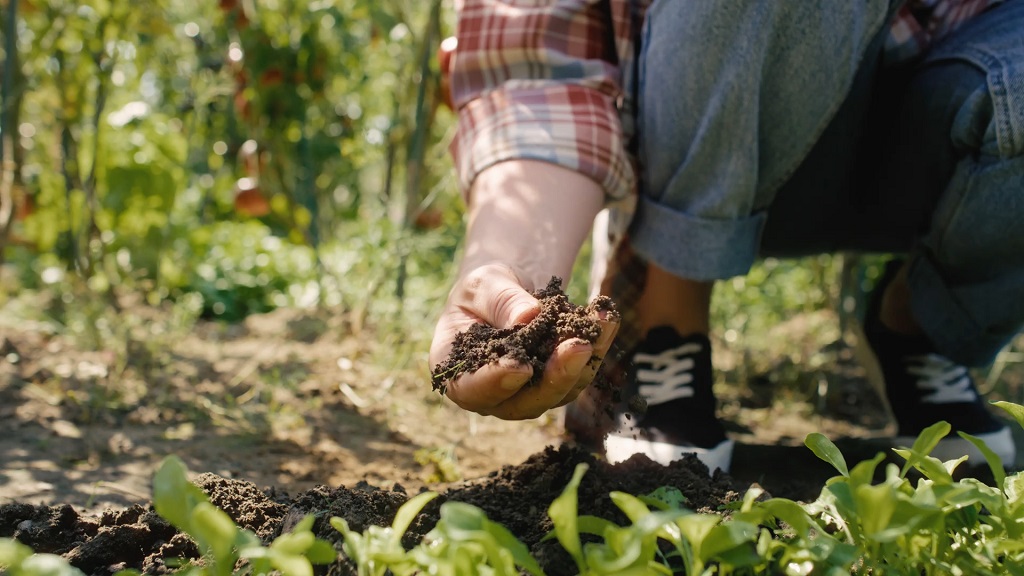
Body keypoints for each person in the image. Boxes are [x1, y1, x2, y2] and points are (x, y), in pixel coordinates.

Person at [429, 0, 1024, 473]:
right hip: (714, 138)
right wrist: (507, 274)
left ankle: (914, 326)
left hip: (933, 132)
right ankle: (669, 322)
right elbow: (539, 72)